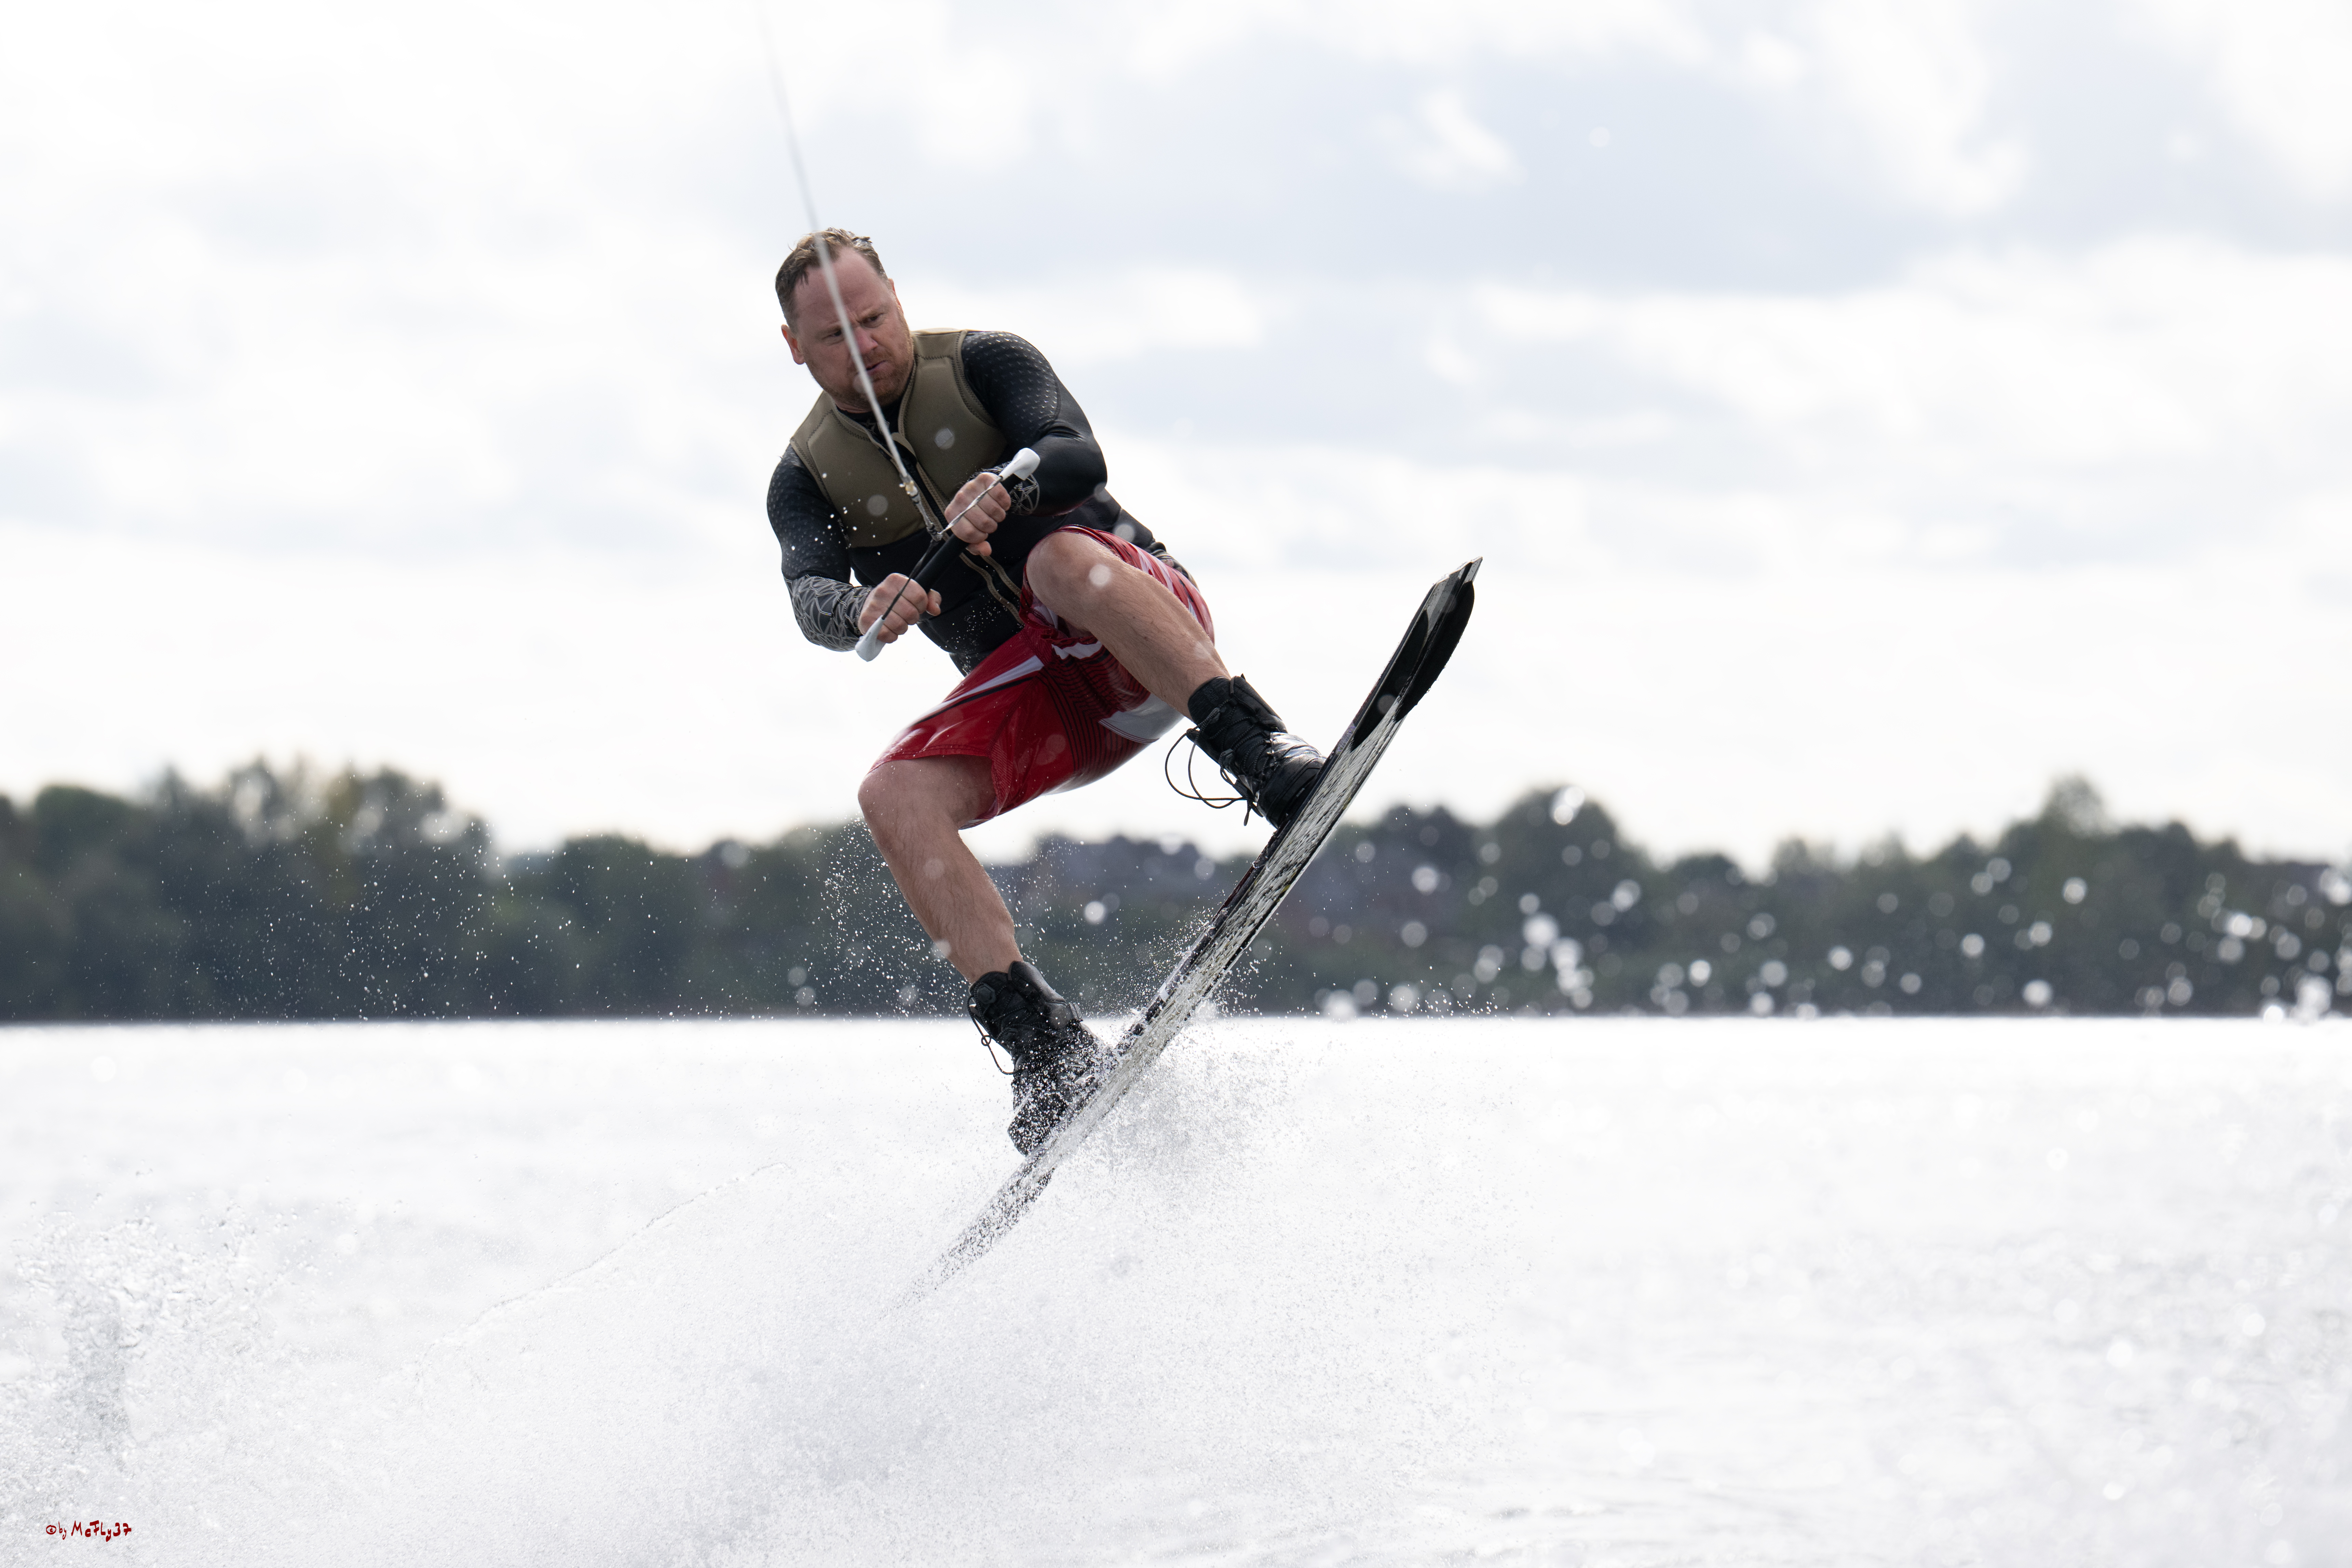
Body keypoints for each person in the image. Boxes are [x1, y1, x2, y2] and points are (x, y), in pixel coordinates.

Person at [765, 229, 1323, 1154]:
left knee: (1058, 557)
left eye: (874, 319)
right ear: (792, 346)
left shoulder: (987, 362)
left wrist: (1012, 488)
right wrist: (864, 603)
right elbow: (807, 597)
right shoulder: (805, 476)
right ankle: (1044, 1049)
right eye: (832, 337)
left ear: (897, 298)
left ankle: (1258, 756)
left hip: (1137, 633)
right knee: (890, 795)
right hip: (1050, 708)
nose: (862, 347)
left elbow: (1075, 453)